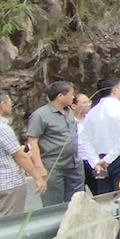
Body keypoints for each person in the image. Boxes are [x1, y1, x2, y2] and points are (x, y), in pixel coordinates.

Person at [0, 89, 46, 217]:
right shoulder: (2, 128)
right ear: (2, 104)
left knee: (3, 216)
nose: (11, 104)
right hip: (10, 183)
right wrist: (38, 177)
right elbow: (20, 157)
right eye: (9, 101)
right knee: (10, 222)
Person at [26, 80, 84, 208]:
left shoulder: (69, 112)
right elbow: (32, 141)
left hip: (74, 165)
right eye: (71, 94)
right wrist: (39, 166)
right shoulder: (40, 115)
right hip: (54, 167)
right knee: (53, 205)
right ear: (60, 96)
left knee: (77, 203)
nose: (73, 97)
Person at [78, 76, 120, 195]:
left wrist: (95, 162)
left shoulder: (91, 113)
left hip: (100, 160)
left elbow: (85, 141)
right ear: (114, 90)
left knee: (105, 197)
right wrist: (108, 159)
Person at [71, 93, 95, 194]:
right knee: (78, 195)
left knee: (99, 191)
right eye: (84, 102)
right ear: (73, 106)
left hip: (92, 160)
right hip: (76, 162)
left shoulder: (92, 119)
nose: (88, 104)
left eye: (89, 101)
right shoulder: (69, 122)